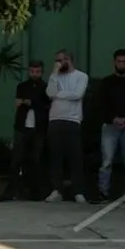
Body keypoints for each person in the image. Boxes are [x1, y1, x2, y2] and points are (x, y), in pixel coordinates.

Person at [92, 49, 125, 205]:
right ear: (114, 62)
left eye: (124, 61)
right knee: (106, 161)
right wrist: (112, 119)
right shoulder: (106, 82)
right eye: (119, 61)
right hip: (109, 126)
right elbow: (100, 104)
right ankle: (103, 192)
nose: (122, 64)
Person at [0, 59, 49, 202]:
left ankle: (35, 193)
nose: (34, 74)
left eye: (37, 71)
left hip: (38, 128)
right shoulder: (22, 86)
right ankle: (11, 192)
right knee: (16, 160)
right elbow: (18, 104)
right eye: (32, 71)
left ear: (42, 72)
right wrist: (29, 102)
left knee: (35, 160)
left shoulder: (45, 87)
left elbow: (45, 105)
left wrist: (30, 102)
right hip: (21, 127)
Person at [44, 49, 89, 204]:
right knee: (56, 157)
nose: (58, 63)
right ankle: (57, 190)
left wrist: (59, 93)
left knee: (75, 157)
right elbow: (50, 92)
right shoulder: (55, 76)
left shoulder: (81, 76)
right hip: (55, 120)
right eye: (56, 60)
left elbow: (78, 94)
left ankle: (78, 191)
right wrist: (54, 73)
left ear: (69, 60)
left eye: (60, 60)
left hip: (72, 120)